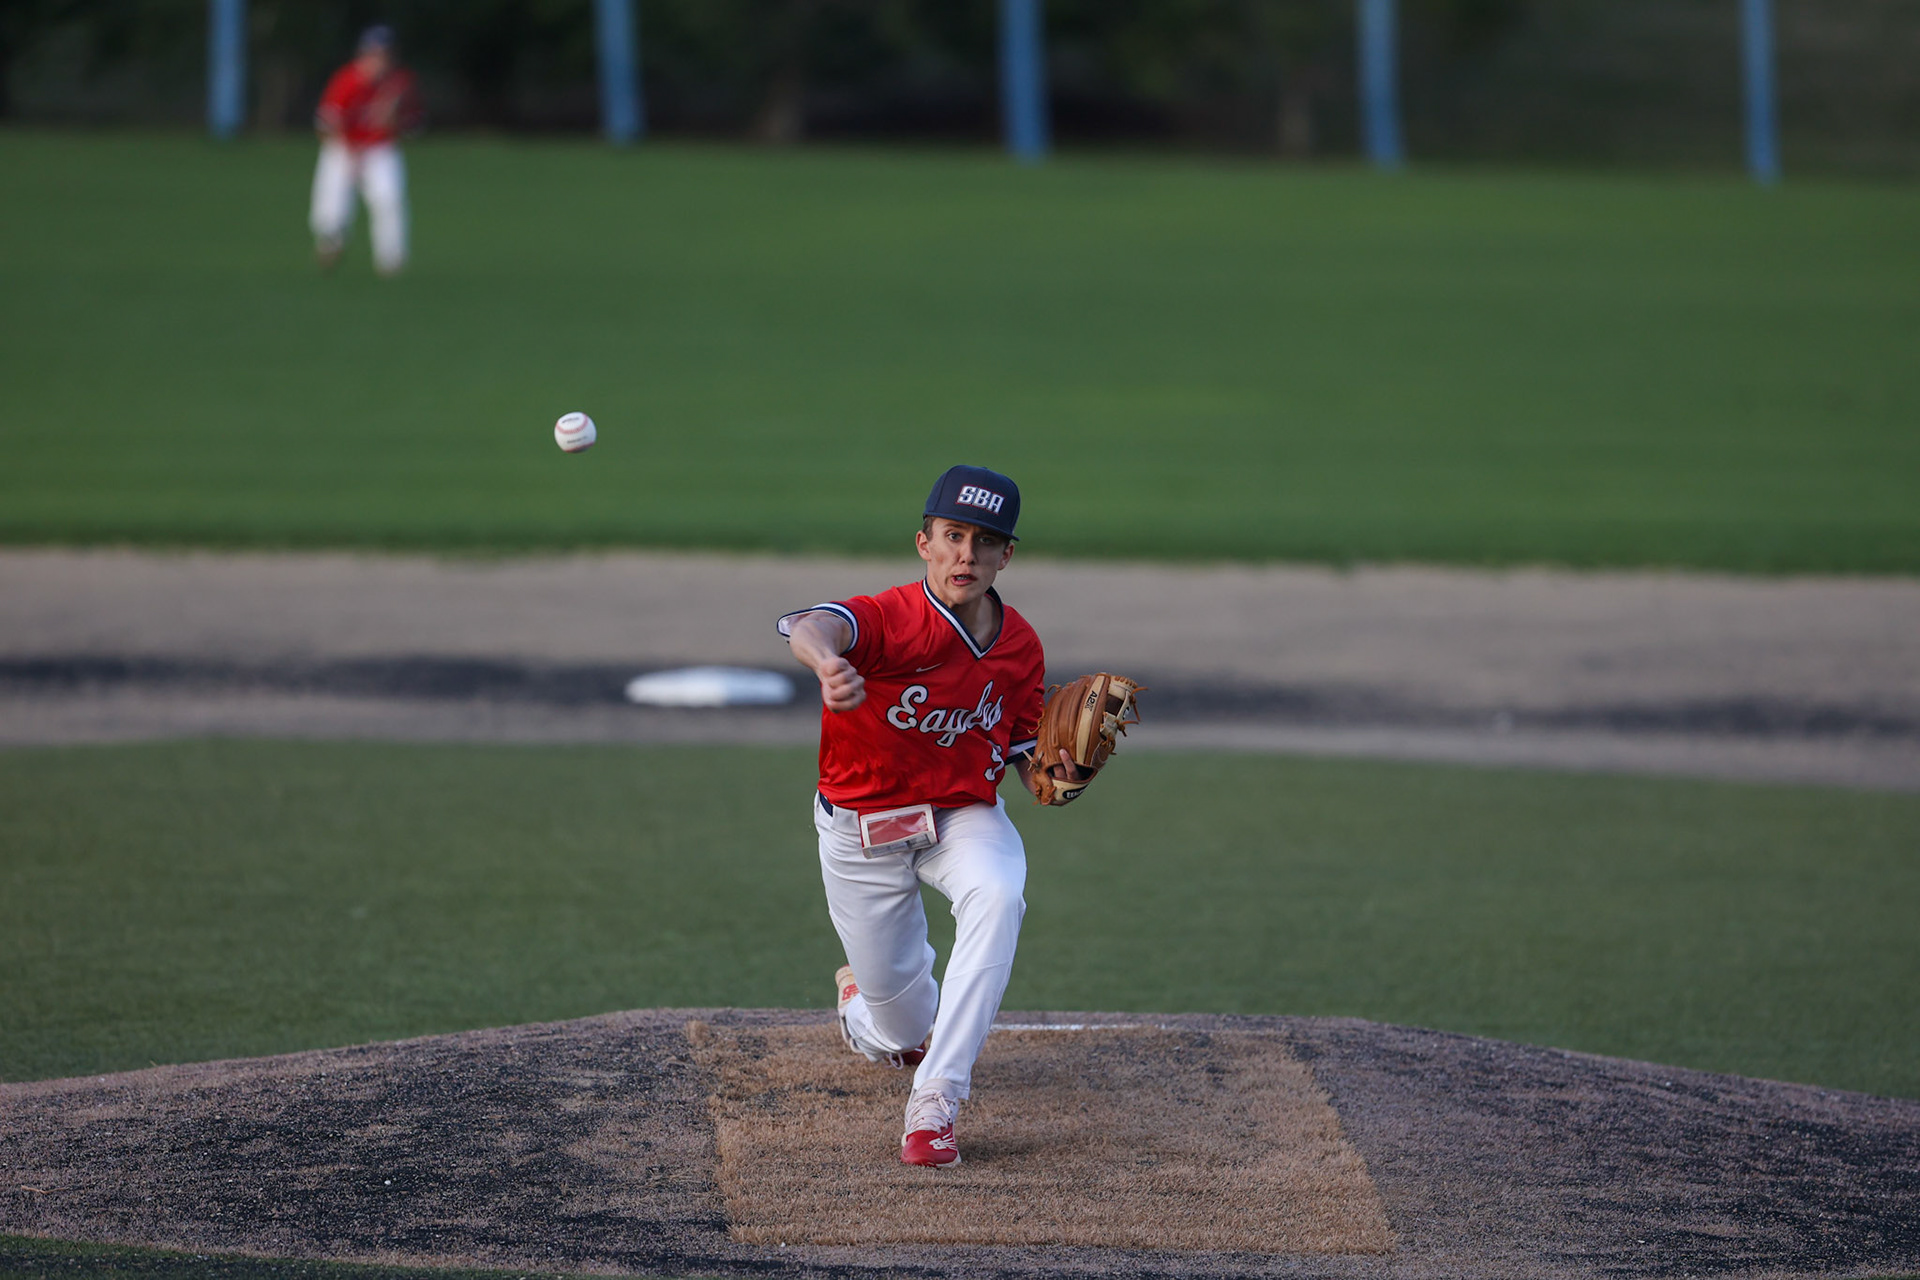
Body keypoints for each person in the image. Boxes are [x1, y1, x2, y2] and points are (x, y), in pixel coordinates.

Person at [778, 465, 1085, 1168]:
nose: (965, 556)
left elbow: (1026, 752)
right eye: (952, 536)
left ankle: (936, 1101)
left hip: (958, 819)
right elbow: (810, 622)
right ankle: (864, 1005)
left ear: (1007, 555)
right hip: (864, 834)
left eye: (984, 542)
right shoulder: (891, 620)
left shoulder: (1020, 647)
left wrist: (1059, 772)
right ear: (924, 542)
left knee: (999, 892)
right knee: (899, 1031)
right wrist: (827, 662)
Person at [309, 25, 422, 276]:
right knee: (332, 206)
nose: (379, 60)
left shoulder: (400, 83)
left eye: (384, 54)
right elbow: (325, 124)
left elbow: (414, 128)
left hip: (380, 149)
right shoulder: (346, 79)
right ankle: (331, 243)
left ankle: (391, 262)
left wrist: (395, 122)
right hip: (342, 147)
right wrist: (348, 151)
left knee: (389, 199)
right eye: (374, 53)